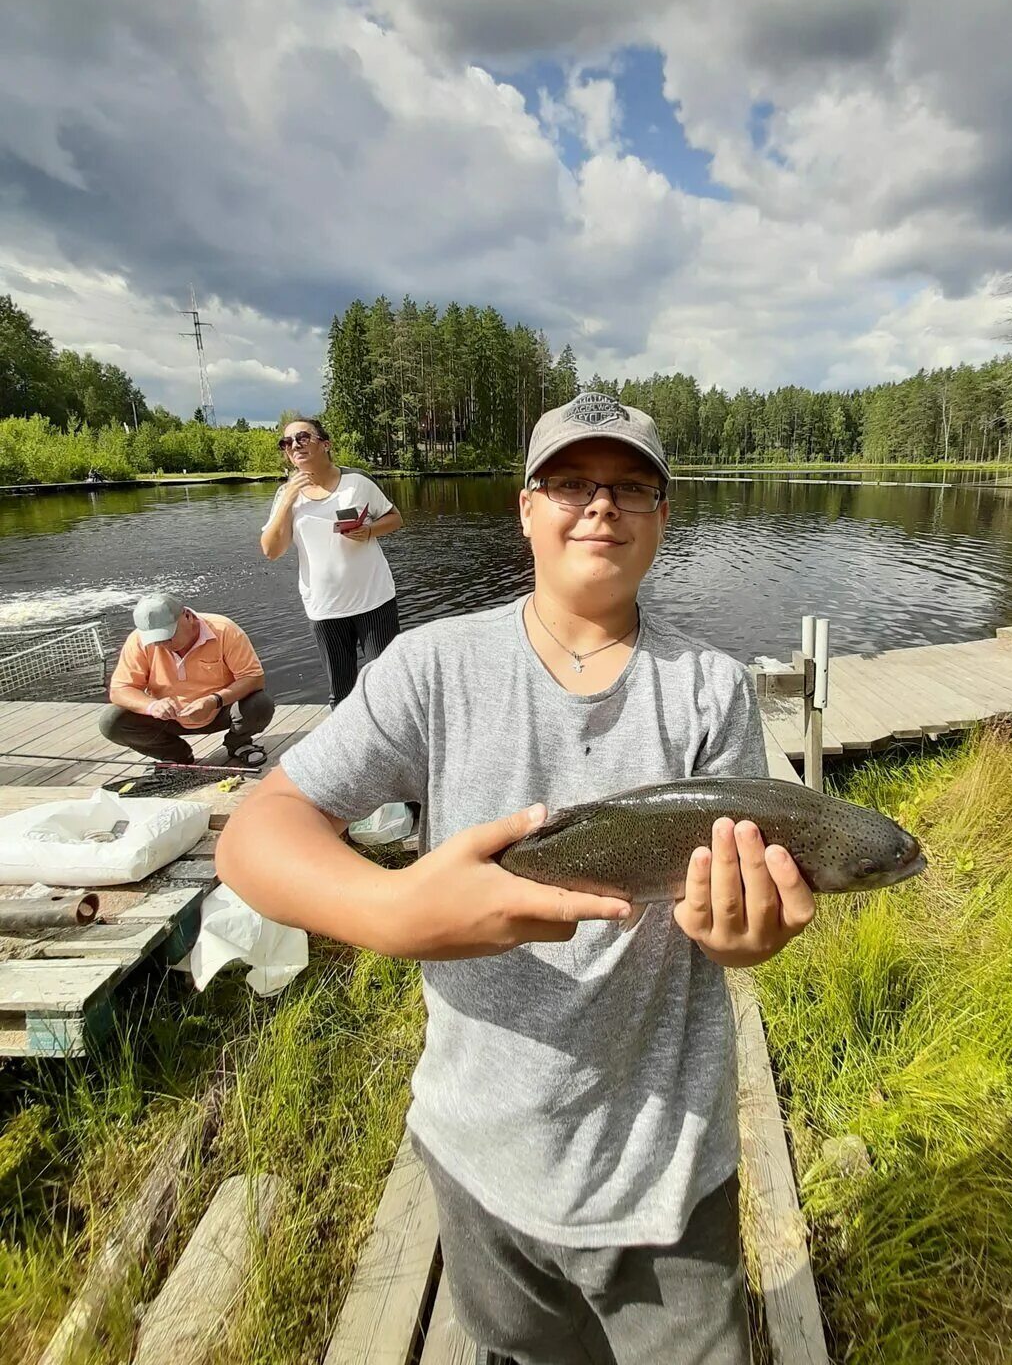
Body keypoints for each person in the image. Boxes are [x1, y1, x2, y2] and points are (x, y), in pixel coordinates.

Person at [217, 391, 815, 1365]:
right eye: (571, 482)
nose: (601, 506)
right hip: (479, 1153)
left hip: (664, 1172)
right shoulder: (431, 668)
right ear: (525, 507)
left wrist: (742, 933)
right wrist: (395, 909)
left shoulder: (711, 689)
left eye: (631, 487)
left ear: (664, 515)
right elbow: (257, 834)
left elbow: (726, 907)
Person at [261, 416, 403, 707]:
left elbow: (395, 518)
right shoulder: (285, 496)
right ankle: (350, 749)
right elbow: (271, 550)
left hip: (373, 600)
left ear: (325, 444)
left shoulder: (357, 482)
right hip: (325, 608)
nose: (294, 445)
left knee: (387, 683)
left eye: (302, 437)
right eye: (286, 442)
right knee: (342, 693)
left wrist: (369, 531)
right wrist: (288, 498)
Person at [101, 592, 275, 767]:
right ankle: (175, 754)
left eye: (168, 636)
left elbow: (253, 678)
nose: (161, 644)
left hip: (220, 710)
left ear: (188, 616)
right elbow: (119, 690)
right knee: (112, 721)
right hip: (168, 717)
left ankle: (239, 743)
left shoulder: (224, 629)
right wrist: (152, 705)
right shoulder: (138, 641)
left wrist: (214, 700)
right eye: (155, 639)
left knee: (260, 703)